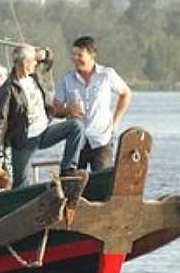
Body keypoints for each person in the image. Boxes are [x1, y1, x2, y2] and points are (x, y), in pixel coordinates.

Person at [0, 43, 85, 188]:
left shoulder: (35, 77)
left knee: (76, 126)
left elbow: (48, 62)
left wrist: (44, 52)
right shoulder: (8, 88)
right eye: (34, 61)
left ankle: (67, 171)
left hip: (44, 132)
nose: (36, 64)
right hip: (24, 139)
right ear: (25, 63)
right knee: (21, 184)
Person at [53, 36, 132, 172]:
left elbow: (126, 94)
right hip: (77, 142)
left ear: (92, 55)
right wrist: (69, 110)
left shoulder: (107, 75)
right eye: (73, 54)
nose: (75, 58)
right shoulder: (66, 79)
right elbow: (56, 109)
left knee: (103, 184)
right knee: (70, 182)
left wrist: (115, 123)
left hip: (102, 139)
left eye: (80, 55)